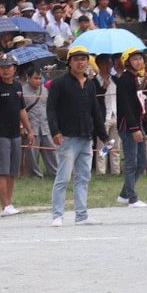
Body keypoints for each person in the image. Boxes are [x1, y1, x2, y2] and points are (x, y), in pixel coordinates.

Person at [46, 46, 105, 226]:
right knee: (63, 177)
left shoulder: (89, 84)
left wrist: (102, 135)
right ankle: (57, 214)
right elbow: (51, 109)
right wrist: (55, 131)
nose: (80, 62)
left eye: (83, 59)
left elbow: (95, 111)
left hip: (86, 136)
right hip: (67, 137)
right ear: (69, 62)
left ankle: (81, 215)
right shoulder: (59, 83)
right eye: (76, 59)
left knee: (83, 177)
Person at [0, 54, 28, 216]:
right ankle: (5, 205)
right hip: (0, 134)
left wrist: (29, 130)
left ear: (14, 68)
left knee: (12, 171)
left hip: (15, 133)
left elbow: (22, 110)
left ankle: (9, 203)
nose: (5, 70)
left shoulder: (17, 86)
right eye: (2, 67)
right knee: (2, 171)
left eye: (8, 67)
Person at [114, 49, 147, 207]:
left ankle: (124, 194)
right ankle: (132, 198)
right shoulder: (125, 80)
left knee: (142, 162)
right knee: (131, 162)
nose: (138, 62)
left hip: (138, 123)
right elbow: (126, 106)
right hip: (128, 126)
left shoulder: (136, 78)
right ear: (127, 61)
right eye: (134, 59)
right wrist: (134, 128)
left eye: (140, 59)